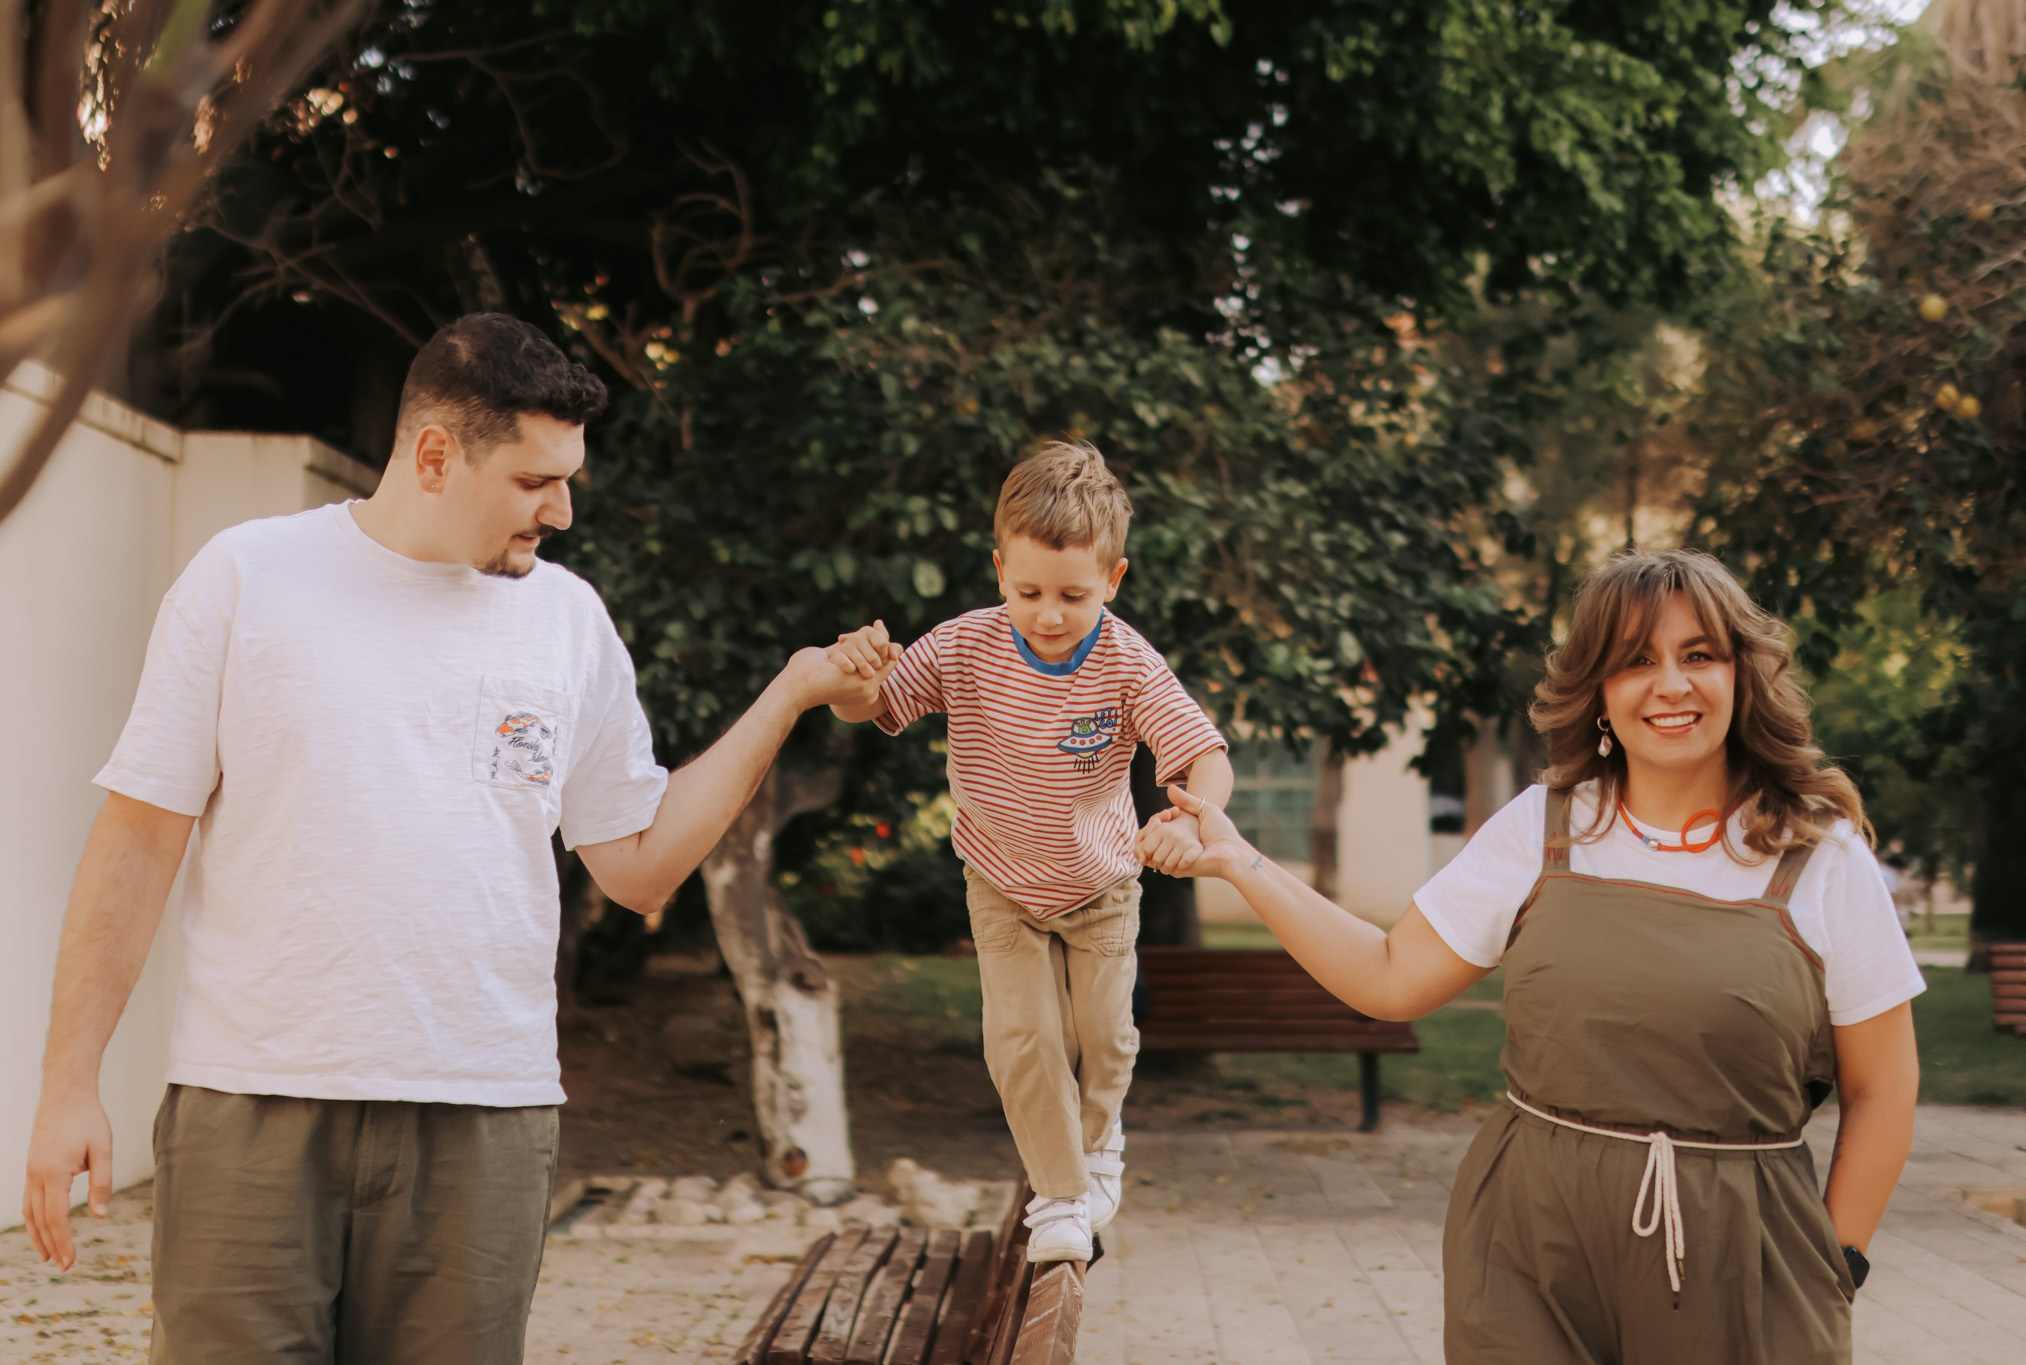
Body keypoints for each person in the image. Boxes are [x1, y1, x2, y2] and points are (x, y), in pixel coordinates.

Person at [19, 313, 892, 1363]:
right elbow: (138, 836)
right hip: (250, 1105)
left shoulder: (568, 624)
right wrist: (69, 1082)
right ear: (434, 454)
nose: (562, 511)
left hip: (482, 1115)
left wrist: (790, 694)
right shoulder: (246, 577)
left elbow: (638, 865)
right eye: (534, 482)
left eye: (568, 479)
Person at [1140, 547, 1922, 1363]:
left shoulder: (1820, 857)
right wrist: (1239, 860)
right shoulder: (1542, 827)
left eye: (1700, 655)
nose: (1671, 684)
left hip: (1743, 1254)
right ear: (1601, 693)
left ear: (1742, 675)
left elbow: (1883, 1085)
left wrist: (1840, 1258)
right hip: (1531, 1245)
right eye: (1636, 661)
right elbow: (1388, 976)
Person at [829, 440, 1231, 1262]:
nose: (1049, 614)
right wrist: (855, 676)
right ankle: (1059, 1197)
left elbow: (1202, 754)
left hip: (1103, 884)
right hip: (1002, 880)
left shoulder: (1126, 661)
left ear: (1113, 580)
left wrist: (1194, 817)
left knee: (1105, 1038)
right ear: (998, 569)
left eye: (1074, 595)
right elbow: (878, 704)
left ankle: (1099, 1137)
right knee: (1023, 1039)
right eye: (1028, 591)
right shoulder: (964, 644)